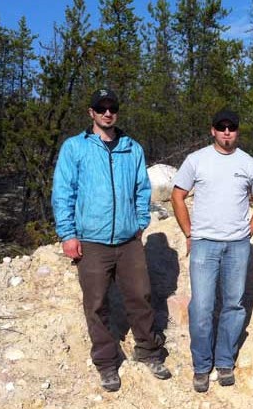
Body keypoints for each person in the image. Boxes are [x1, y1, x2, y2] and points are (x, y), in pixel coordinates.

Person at [52, 88, 171, 392]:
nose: (107, 113)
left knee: (140, 296)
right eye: (101, 108)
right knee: (96, 303)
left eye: (112, 107)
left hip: (128, 240)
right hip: (91, 240)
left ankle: (148, 351)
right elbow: (63, 192)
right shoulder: (75, 148)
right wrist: (68, 234)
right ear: (90, 112)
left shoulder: (132, 148)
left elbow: (142, 190)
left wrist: (140, 222)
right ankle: (106, 362)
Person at [171, 109, 253, 393]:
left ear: (237, 131)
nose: (227, 132)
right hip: (204, 244)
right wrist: (189, 232)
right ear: (212, 130)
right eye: (221, 127)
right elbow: (178, 195)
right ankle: (202, 366)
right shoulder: (196, 160)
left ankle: (225, 361)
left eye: (232, 127)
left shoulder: (249, 164)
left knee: (234, 305)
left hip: (237, 246)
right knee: (202, 307)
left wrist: (249, 230)